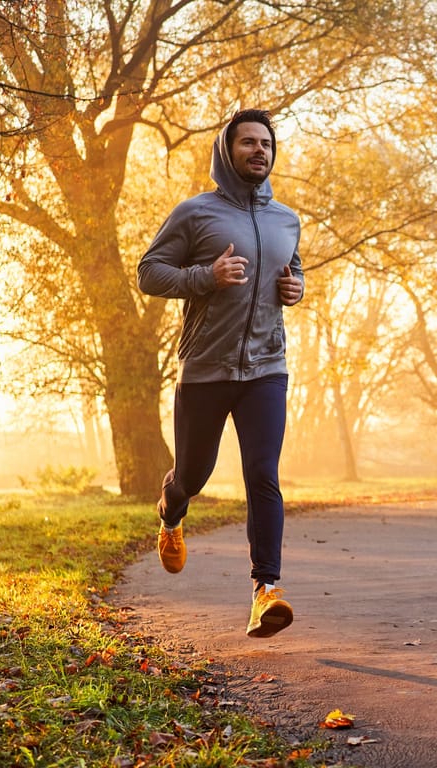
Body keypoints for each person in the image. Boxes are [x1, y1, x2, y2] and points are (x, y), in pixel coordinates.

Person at [137, 108, 304, 639]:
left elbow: (291, 270)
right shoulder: (195, 213)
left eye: (266, 144)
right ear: (226, 151)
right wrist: (205, 276)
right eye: (248, 143)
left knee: (263, 474)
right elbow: (149, 272)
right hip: (206, 369)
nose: (260, 151)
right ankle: (170, 512)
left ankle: (266, 591)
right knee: (193, 473)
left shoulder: (286, 219)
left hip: (266, 368)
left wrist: (296, 288)